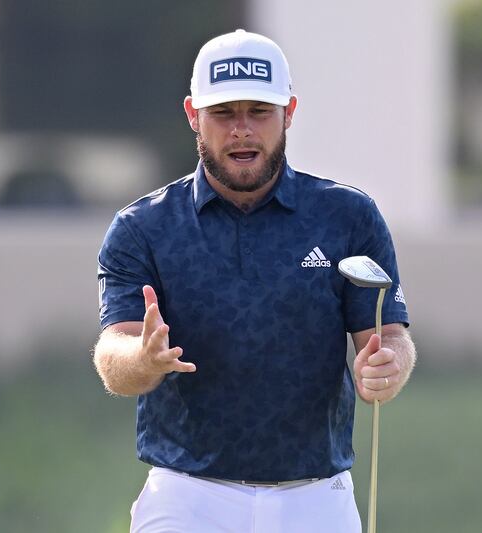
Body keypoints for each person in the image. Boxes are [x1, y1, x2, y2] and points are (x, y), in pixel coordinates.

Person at [93, 29, 417, 533]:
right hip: (186, 497)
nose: (241, 130)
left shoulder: (348, 216)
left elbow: (389, 335)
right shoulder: (143, 227)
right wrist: (144, 359)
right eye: (223, 113)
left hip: (316, 497)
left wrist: (389, 366)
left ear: (288, 113)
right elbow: (115, 358)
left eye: (258, 111)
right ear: (193, 115)